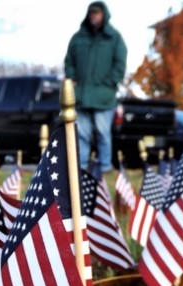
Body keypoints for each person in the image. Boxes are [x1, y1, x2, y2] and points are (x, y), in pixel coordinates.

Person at [64, 1, 127, 178]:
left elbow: (120, 64)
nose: (94, 16)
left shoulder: (114, 38)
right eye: (92, 13)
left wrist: (109, 82)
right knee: (81, 134)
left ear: (103, 15)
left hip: (104, 97)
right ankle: (82, 168)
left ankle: (105, 168)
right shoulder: (78, 38)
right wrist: (72, 77)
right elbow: (69, 61)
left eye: (97, 13)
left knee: (102, 133)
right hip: (82, 96)